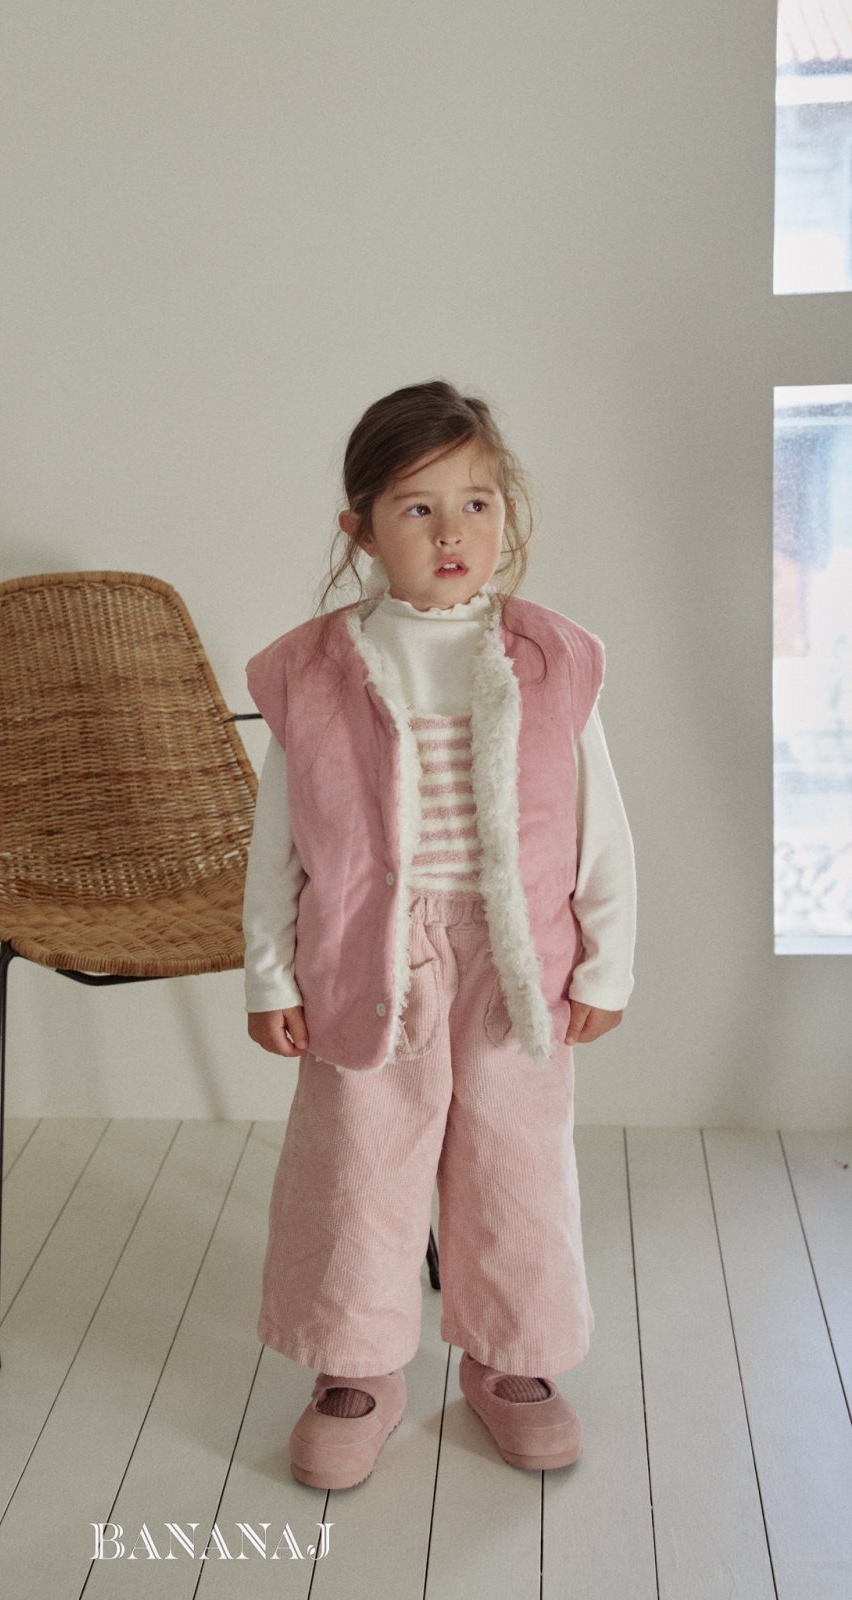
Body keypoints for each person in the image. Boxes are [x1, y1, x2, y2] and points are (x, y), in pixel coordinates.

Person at [241, 379, 636, 1487]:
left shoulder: (550, 657)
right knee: (355, 1169)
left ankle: (512, 1361)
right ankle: (355, 1367)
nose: (451, 532)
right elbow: (278, 841)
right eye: (417, 508)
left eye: (476, 503)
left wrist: (606, 961)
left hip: (514, 964)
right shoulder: (313, 669)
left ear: (507, 511)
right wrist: (270, 974)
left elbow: (600, 824)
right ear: (361, 530)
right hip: (365, 953)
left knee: (515, 1165)